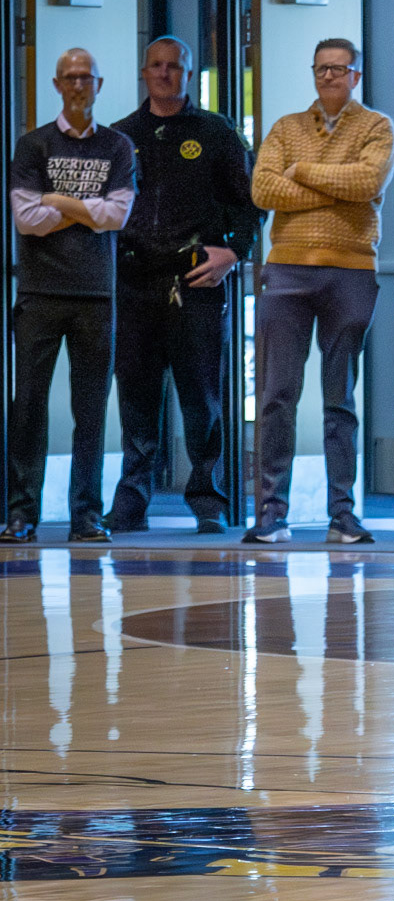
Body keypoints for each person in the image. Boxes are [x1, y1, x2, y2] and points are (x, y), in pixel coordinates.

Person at [103, 36, 260, 535]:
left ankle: (207, 497)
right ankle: (132, 501)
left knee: (202, 397)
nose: (165, 73)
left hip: (197, 282)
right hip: (134, 283)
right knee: (136, 396)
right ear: (144, 73)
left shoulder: (216, 133)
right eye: (157, 66)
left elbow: (250, 203)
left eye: (175, 66)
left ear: (189, 75)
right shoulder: (119, 137)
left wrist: (234, 252)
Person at [245, 39, 394, 544]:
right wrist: (337, 188)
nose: (329, 76)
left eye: (339, 69)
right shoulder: (286, 127)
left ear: (356, 76)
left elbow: (370, 180)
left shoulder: (376, 127)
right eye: (321, 69)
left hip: (350, 273)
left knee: (341, 400)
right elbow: (263, 190)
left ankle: (342, 514)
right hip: (285, 273)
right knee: (276, 396)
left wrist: (303, 173)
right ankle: (271, 513)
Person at [0, 49, 136, 544]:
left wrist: (57, 201)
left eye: (87, 78)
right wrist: (85, 209)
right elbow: (25, 219)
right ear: (57, 85)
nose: (79, 85)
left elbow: (118, 216)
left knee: (91, 410)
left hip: (96, 293)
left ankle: (86, 515)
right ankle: (21, 513)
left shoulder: (119, 147)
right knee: (29, 405)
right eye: (71, 78)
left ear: (99, 84)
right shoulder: (32, 145)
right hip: (39, 292)